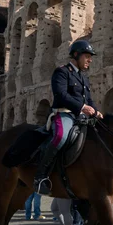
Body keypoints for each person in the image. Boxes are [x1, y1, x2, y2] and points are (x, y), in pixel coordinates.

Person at [33, 40, 103, 195]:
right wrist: (82, 107)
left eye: (90, 57)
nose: (90, 60)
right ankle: (41, 176)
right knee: (61, 137)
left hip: (81, 116)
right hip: (63, 113)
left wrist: (96, 111)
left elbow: (89, 99)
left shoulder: (84, 77)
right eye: (87, 56)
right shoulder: (62, 72)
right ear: (76, 55)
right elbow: (61, 95)